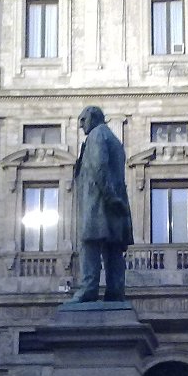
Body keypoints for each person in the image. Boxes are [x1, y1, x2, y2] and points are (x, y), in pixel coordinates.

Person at [68, 106, 134, 302]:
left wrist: (109, 196)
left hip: (99, 202)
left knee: (90, 244)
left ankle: (88, 288)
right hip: (115, 204)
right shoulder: (113, 139)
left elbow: (99, 167)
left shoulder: (97, 136)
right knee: (113, 249)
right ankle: (115, 291)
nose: (81, 126)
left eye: (83, 120)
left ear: (93, 118)